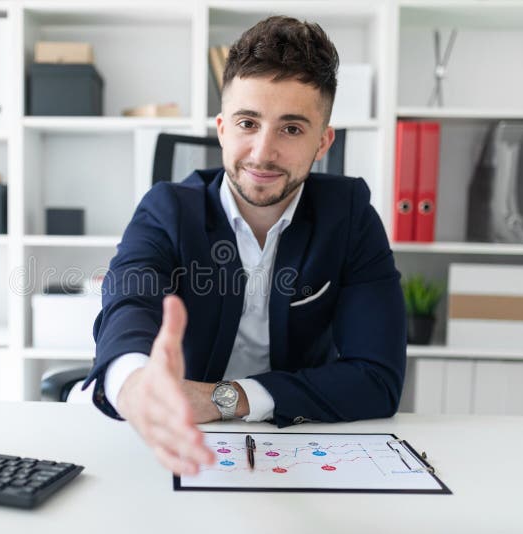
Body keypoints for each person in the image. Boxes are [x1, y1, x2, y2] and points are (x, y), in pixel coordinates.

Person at [82, 16, 406, 476]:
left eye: (291, 129)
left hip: (298, 442)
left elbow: (378, 379)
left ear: (322, 142)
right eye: (247, 123)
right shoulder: (167, 209)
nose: (262, 152)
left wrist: (222, 399)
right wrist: (137, 385)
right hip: (179, 442)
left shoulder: (350, 216)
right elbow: (128, 305)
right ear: (221, 128)